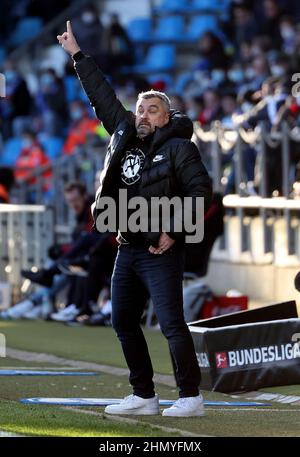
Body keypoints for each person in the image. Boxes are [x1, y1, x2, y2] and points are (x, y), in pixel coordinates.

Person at [57, 21, 212, 417]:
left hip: (161, 250)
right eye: (140, 107)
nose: (143, 113)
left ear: (165, 116)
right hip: (128, 246)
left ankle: (191, 397)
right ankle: (144, 395)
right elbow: (101, 94)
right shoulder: (122, 133)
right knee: (122, 320)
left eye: (152, 108)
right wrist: (78, 54)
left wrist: (175, 232)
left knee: (172, 323)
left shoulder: (180, 149)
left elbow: (201, 193)